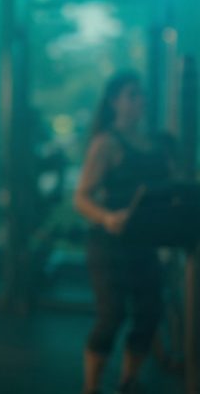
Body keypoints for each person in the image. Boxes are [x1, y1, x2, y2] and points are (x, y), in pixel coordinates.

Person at [74, 71, 175, 394]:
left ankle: (128, 383)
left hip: (145, 246)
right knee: (112, 317)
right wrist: (106, 217)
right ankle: (91, 389)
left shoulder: (157, 144)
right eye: (132, 94)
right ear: (114, 101)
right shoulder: (106, 144)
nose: (140, 100)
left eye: (142, 94)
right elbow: (81, 197)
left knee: (149, 315)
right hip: (109, 246)